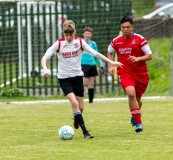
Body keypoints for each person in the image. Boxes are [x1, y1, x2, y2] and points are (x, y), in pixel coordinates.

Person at [41, 20, 123, 139]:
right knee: (74, 103)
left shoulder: (79, 42)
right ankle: (85, 132)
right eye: (66, 35)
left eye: (71, 34)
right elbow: (45, 57)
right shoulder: (58, 44)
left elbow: (95, 53)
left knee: (81, 107)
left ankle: (77, 117)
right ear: (63, 33)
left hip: (78, 77)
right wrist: (45, 69)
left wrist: (111, 62)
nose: (68, 37)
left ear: (75, 32)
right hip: (64, 78)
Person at [107, 15, 152, 133]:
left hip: (141, 74)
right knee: (131, 94)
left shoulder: (140, 39)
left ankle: (135, 114)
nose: (125, 29)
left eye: (128, 27)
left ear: (132, 26)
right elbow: (110, 51)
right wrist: (111, 65)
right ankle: (139, 123)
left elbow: (150, 56)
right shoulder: (116, 41)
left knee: (138, 99)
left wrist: (138, 59)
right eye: (123, 27)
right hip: (125, 73)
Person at [81, 27, 105, 103]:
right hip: (83, 65)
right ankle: (80, 100)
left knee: (91, 84)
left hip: (92, 64)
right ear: (83, 34)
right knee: (82, 83)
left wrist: (101, 64)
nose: (87, 35)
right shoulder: (80, 43)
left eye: (89, 33)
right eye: (86, 33)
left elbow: (96, 54)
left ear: (91, 35)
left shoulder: (93, 44)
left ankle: (91, 101)